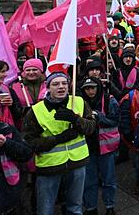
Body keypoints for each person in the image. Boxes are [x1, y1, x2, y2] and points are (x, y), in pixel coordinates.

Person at [23, 72, 97, 215]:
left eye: (64, 83)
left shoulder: (79, 102)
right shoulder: (36, 111)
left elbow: (91, 128)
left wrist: (76, 119)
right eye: (56, 84)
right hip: (50, 168)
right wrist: (57, 139)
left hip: (77, 163)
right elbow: (29, 141)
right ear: (47, 87)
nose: (61, 87)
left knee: (75, 207)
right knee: (45, 210)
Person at [79, 76, 120, 215]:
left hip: (106, 148)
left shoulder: (109, 100)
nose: (90, 91)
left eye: (93, 88)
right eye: (87, 88)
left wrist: (99, 117)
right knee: (89, 181)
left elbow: (115, 121)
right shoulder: (79, 103)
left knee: (108, 180)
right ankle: (91, 208)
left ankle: (110, 206)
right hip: (87, 148)